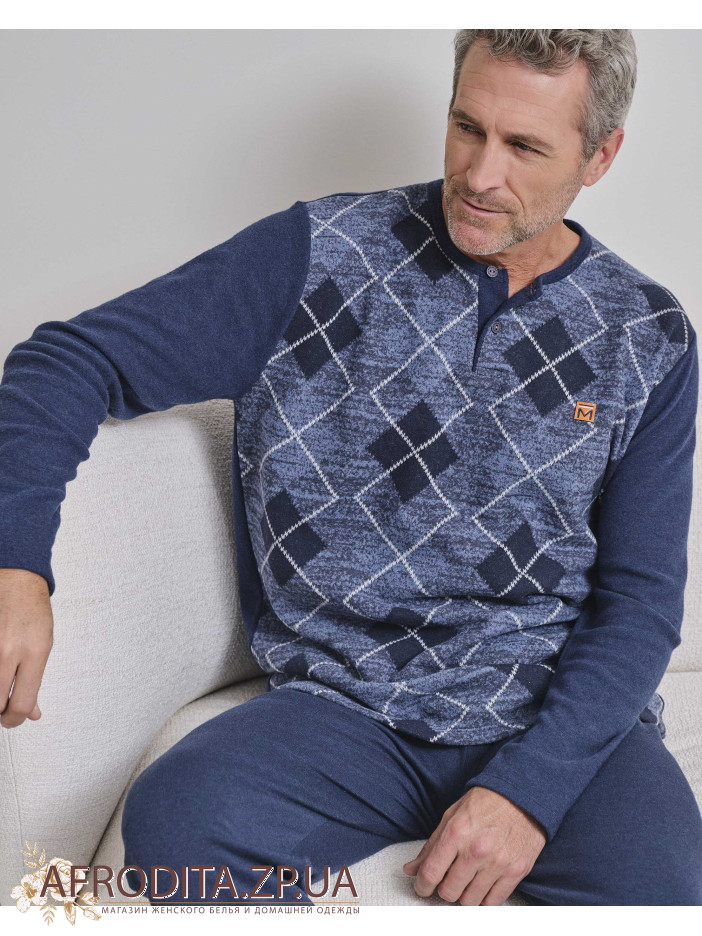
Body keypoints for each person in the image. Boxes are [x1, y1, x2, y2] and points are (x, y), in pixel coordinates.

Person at [0, 29, 701, 907]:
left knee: (667, 889)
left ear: (600, 156)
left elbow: (639, 603)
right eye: (466, 127)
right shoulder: (319, 253)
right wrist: (18, 566)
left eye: (525, 147)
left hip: (544, 705)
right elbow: (66, 360)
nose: (481, 174)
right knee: (181, 820)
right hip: (342, 710)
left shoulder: (647, 335)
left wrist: (529, 791)